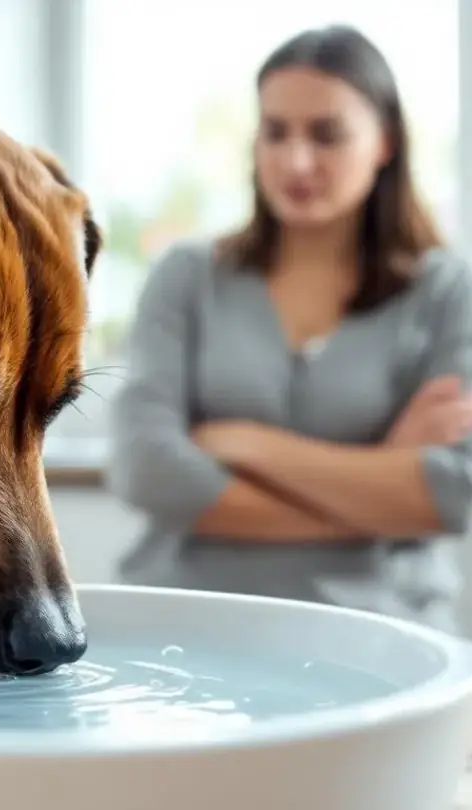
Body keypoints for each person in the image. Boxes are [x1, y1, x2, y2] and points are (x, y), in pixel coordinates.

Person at [109, 24, 472, 634]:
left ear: (385, 141)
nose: (296, 160)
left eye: (327, 135)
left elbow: (455, 492)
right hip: (187, 624)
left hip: (384, 633)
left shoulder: (444, 291)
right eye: (275, 132)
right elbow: (147, 468)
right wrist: (383, 478)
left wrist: (251, 445)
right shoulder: (187, 276)